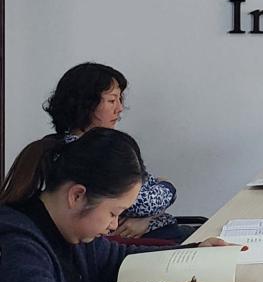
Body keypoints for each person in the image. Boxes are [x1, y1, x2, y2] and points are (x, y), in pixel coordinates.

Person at [0, 128, 231, 282]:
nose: (114, 225)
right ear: (77, 196)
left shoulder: (73, 232)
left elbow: (119, 260)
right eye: (113, 213)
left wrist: (195, 252)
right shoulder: (16, 242)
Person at [1, 63, 183, 241]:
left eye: (120, 100)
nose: (119, 108)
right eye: (112, 100)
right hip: (141, 240)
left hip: (155, 231)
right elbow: (144, 203)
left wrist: (148, 220)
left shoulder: (96, 146)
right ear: (85, 105)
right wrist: (168, 186)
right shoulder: (88, 154)